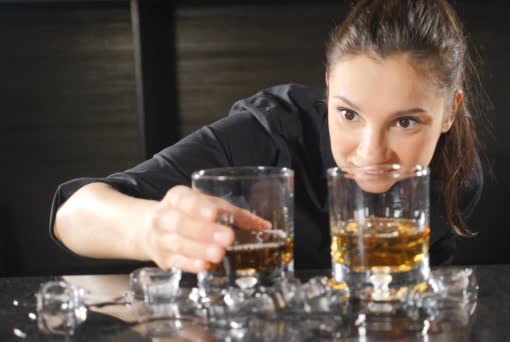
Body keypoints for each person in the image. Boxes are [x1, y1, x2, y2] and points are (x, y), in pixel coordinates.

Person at [50, 0, 483, 274]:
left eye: (406, 122)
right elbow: (72, 213)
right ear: (328, 87)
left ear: (449, 112)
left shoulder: (457, 176)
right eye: (348, 113)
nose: (370, 152)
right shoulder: (272, 133)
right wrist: (150, 230)